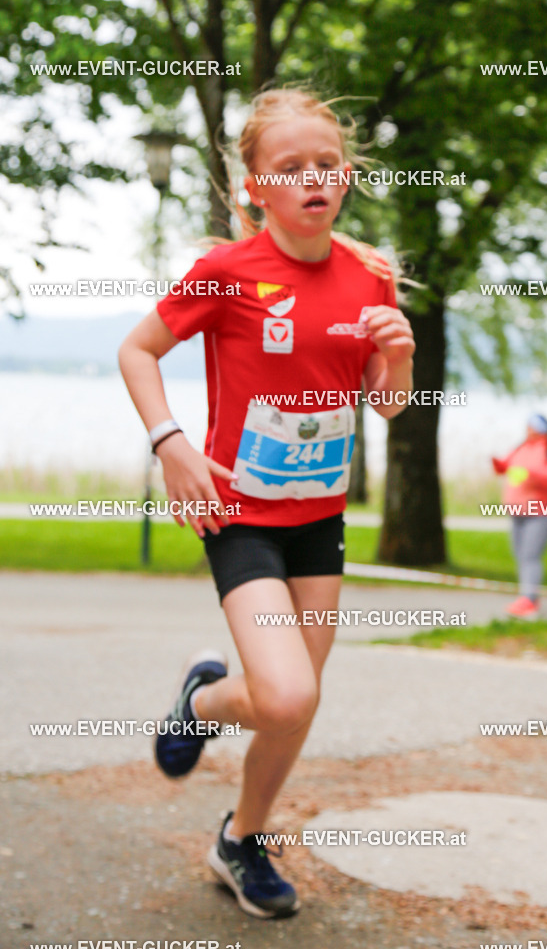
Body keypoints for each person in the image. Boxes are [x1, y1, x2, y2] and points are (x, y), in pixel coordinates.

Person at [118, 88, 415, 919]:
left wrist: (399, 359)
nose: (313, 178)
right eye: (291, 168)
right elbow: (137, 351)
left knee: (293, 707)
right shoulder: (229, 273)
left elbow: (386, 406)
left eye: (326, 164)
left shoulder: (371, 275)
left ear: (346, 175)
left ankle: (239, 840)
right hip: (239, 512)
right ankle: (202, 700)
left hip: (319, 517)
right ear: (255, 188)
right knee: (282, 695)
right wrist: (172, 444)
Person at [492, 413, 547, 620]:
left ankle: (529, 599)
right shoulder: (521, 447)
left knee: (530, 555)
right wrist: (498, 464)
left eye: (531, 426)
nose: (528, 430)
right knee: (519, 554)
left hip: (542, 512)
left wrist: (533, 473)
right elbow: (508, 468)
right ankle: (526, 597)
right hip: (518, 511)